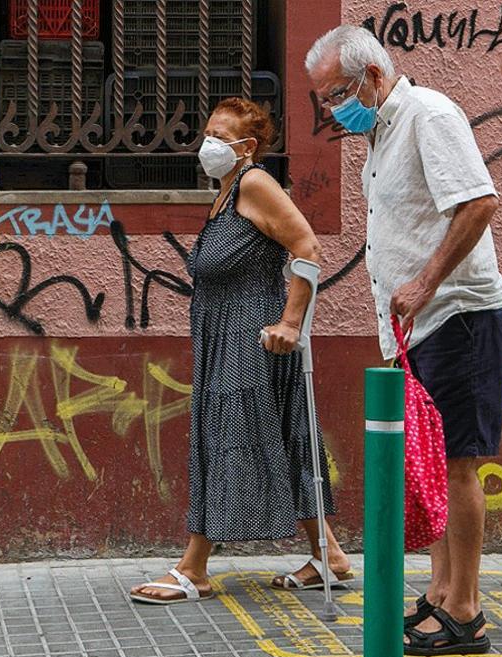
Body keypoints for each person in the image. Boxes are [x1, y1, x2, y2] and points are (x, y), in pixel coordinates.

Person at [306, 26, 502, 656]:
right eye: (322, 100)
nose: (332, 110)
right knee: (428, 466)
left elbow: (478, 203)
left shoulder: (428, 115)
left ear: (372, 76)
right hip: (417, 329)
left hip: (461, 318)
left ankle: (465, 611)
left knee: (457, 465)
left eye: (337, 94)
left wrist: (425, 282)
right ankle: (439, 592)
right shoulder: (380, 135)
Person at [129, 97, 352, 605]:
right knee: (282, 435)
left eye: (219, 136)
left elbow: (308, 249)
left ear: (247, 148)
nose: (208, 144)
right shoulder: (227, 192)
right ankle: (330, 557)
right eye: (207, 132)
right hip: (223, 330)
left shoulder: (254, 184)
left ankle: (194, 567)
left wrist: (291, 322)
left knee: (229, 438)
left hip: (252, 334)